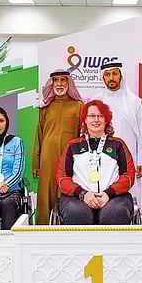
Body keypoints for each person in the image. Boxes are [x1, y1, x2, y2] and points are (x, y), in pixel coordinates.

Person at [56, 100, 136, 225]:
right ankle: (80, 245)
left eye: (100, 116)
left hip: (113, 197)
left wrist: (108, 194)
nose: (96, 120)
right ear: (85, 120)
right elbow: (62, 178)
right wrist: (83, 194)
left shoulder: (117, 144)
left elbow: (129, 175)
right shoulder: (73, 145)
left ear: (106, 120)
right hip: (78, 198)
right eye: (92, 116)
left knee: (114, 214)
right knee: (77, 214)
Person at [91, 61, 142, 209]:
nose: (111, 78)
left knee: (131, 200)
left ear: (121, 76)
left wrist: (141, 161)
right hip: (101, 160)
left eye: (115, 74)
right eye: (107, 74)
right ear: (103, 78)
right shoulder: (95, 102)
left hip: (128, 159)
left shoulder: (134, 102)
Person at [31, 69, 83, 224]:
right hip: (47, 160)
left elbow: (82, 136)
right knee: (45, 197)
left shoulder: (79, 106)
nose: (59, 84)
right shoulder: (45, 107)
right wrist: (36, 163)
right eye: (56, 81)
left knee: (67, 195)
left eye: (63, 80)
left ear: (69, 83)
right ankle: (42, 235)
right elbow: (38, 135)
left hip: (70, 160)